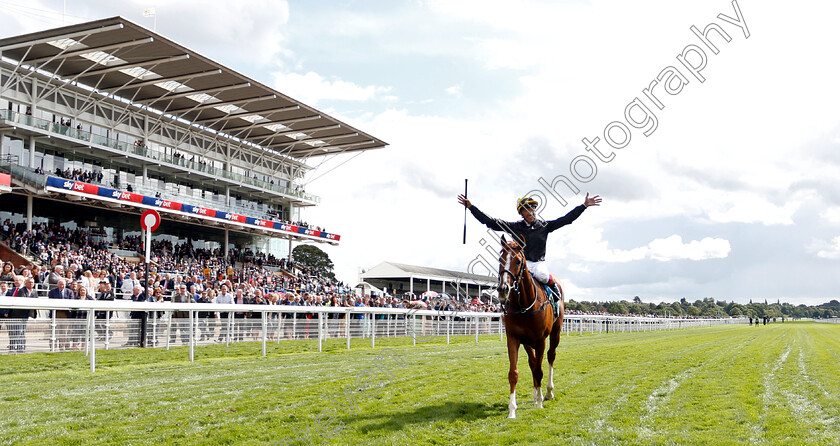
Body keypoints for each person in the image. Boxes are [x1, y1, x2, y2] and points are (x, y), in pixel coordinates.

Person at [458, 192, 602, 313]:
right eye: (527, 209)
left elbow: (566, 220)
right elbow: (491, 222)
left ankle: (555, 294)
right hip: (521, 264)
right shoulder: (516, 227)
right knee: (507, 279)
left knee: (543, 275)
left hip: (538, 263)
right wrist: (471, 207)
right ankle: (505, 306)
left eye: (533, 208)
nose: (531, 212)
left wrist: (583, 206)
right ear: (521, 212)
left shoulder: (544, 226)